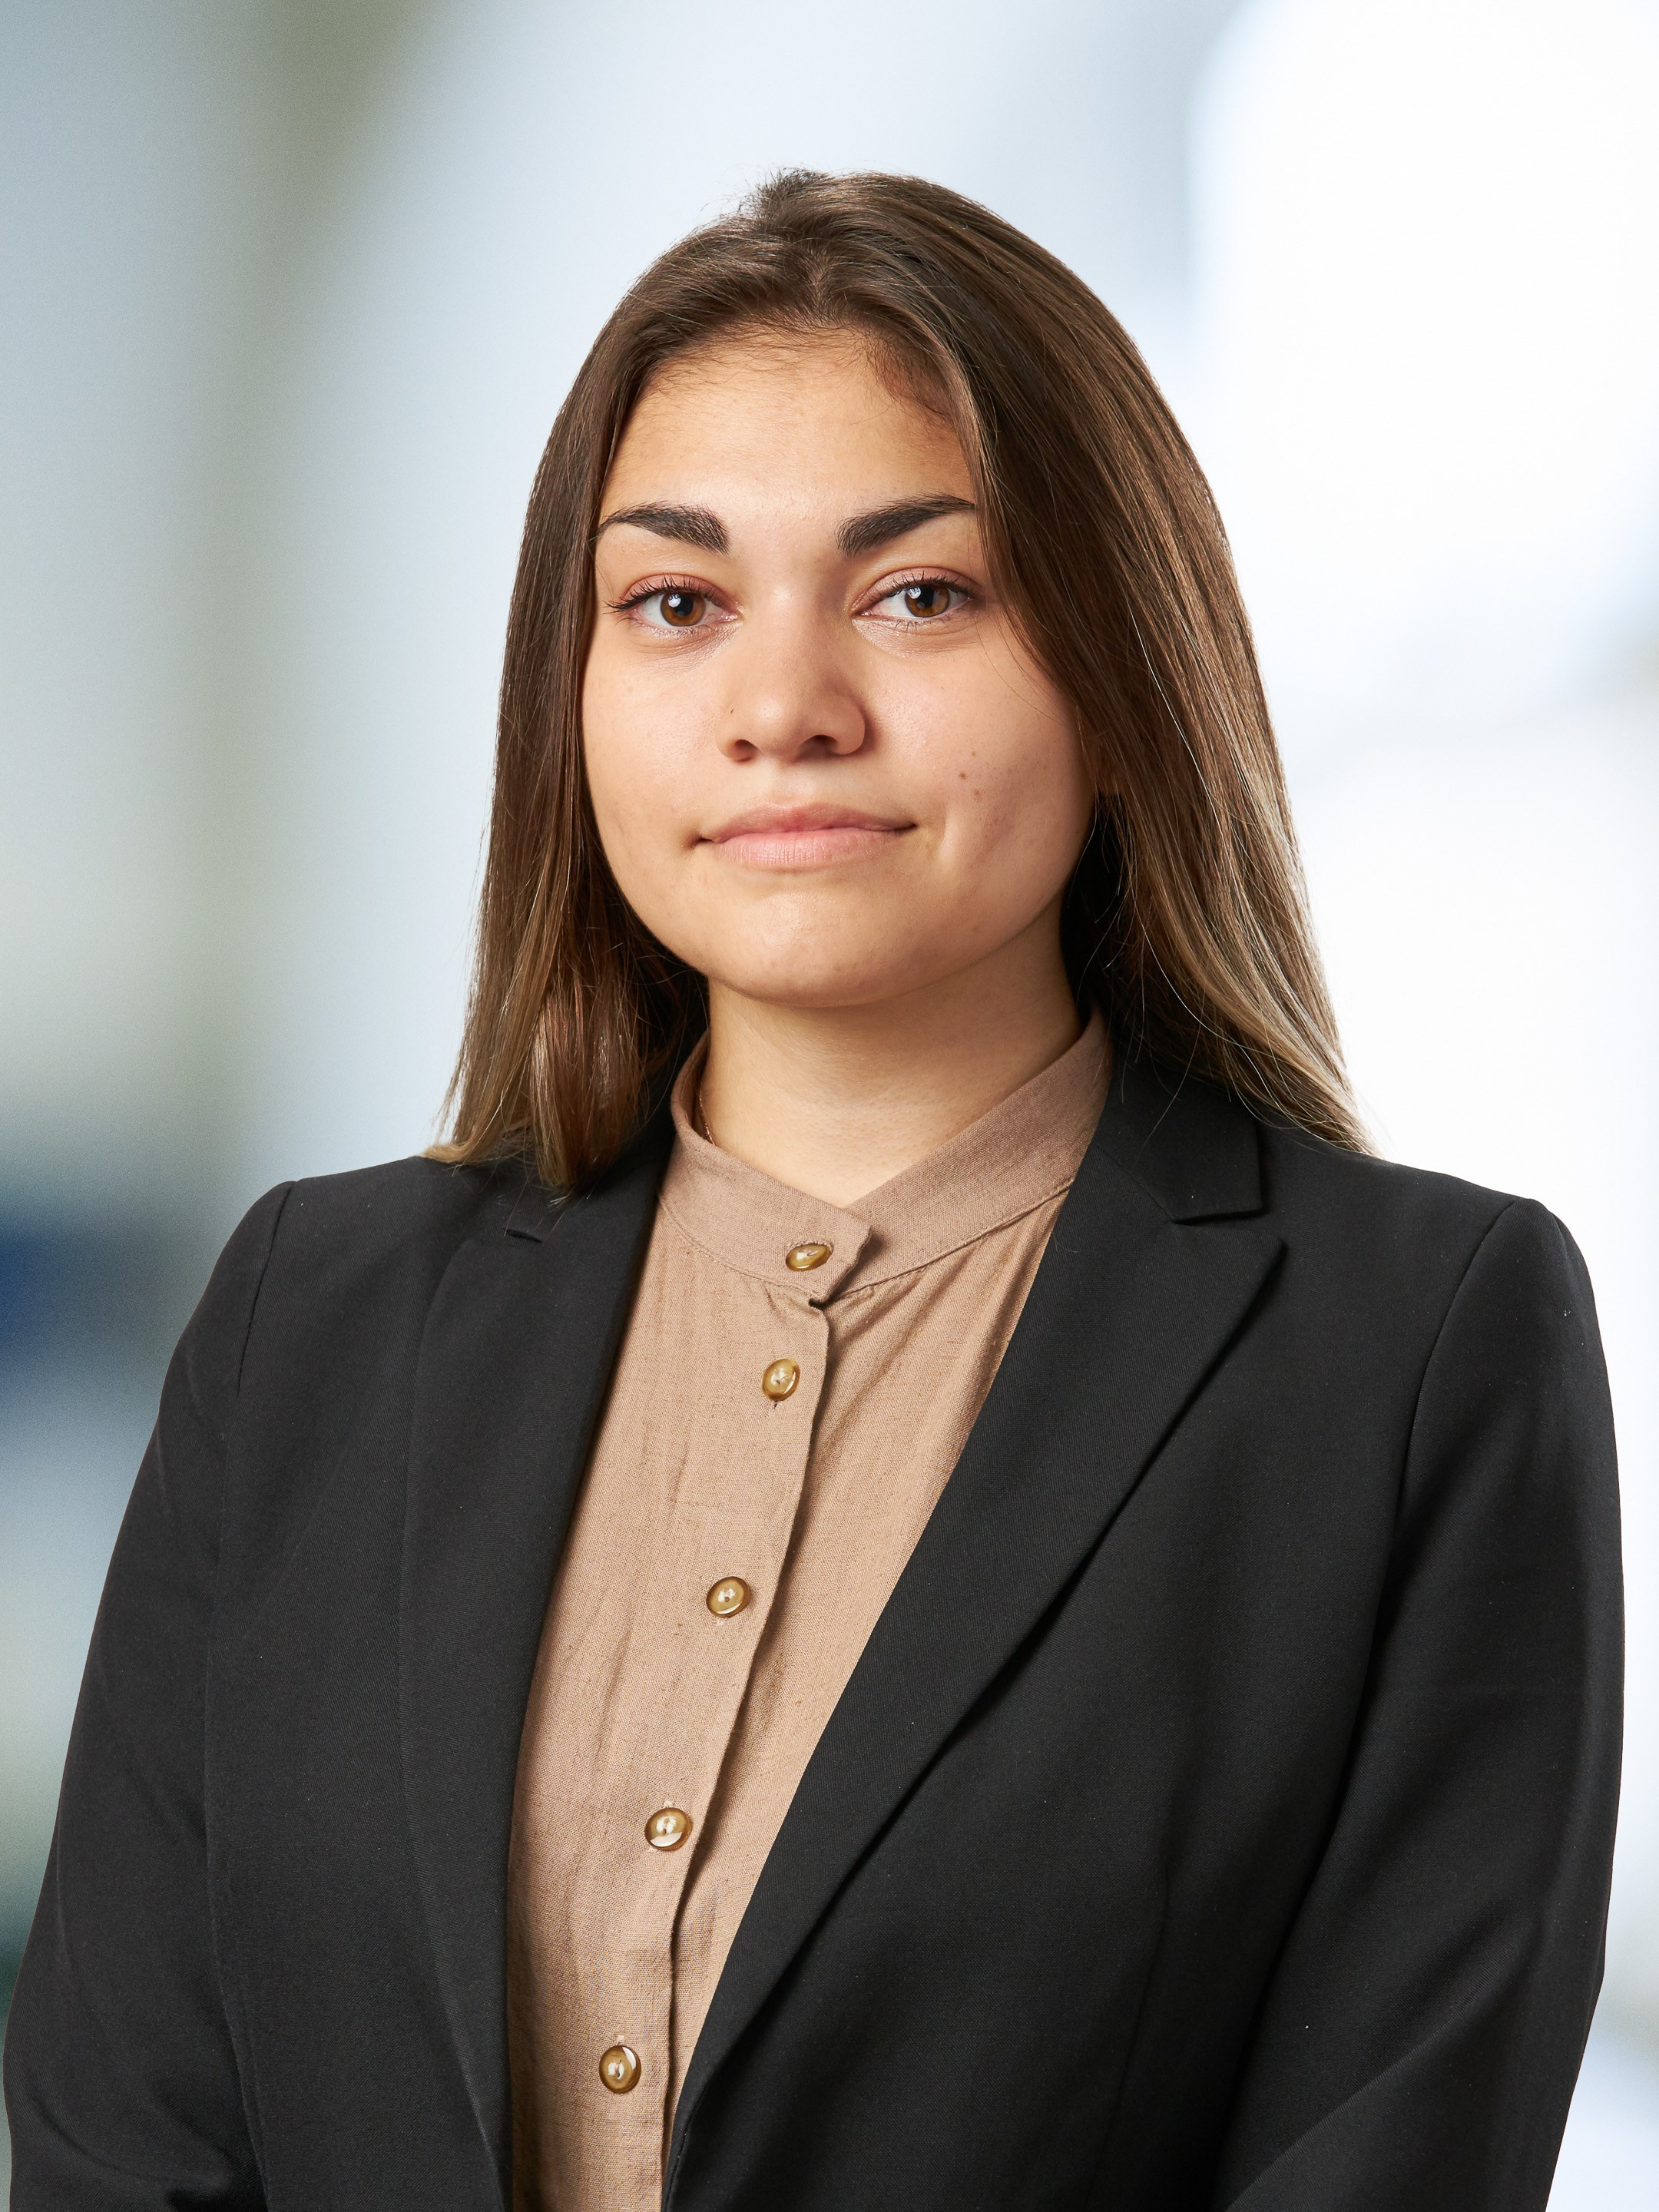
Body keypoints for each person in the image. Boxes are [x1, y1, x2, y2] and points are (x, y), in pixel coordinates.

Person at [4, 171, 1621, 2212]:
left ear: (1125, 671)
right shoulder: (315, 1311)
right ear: (570, 700)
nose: (783, 708)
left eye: (920, 592)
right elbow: (116, 2135)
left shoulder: (1418, 1350)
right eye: (677, 603)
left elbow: (1392, 2153)